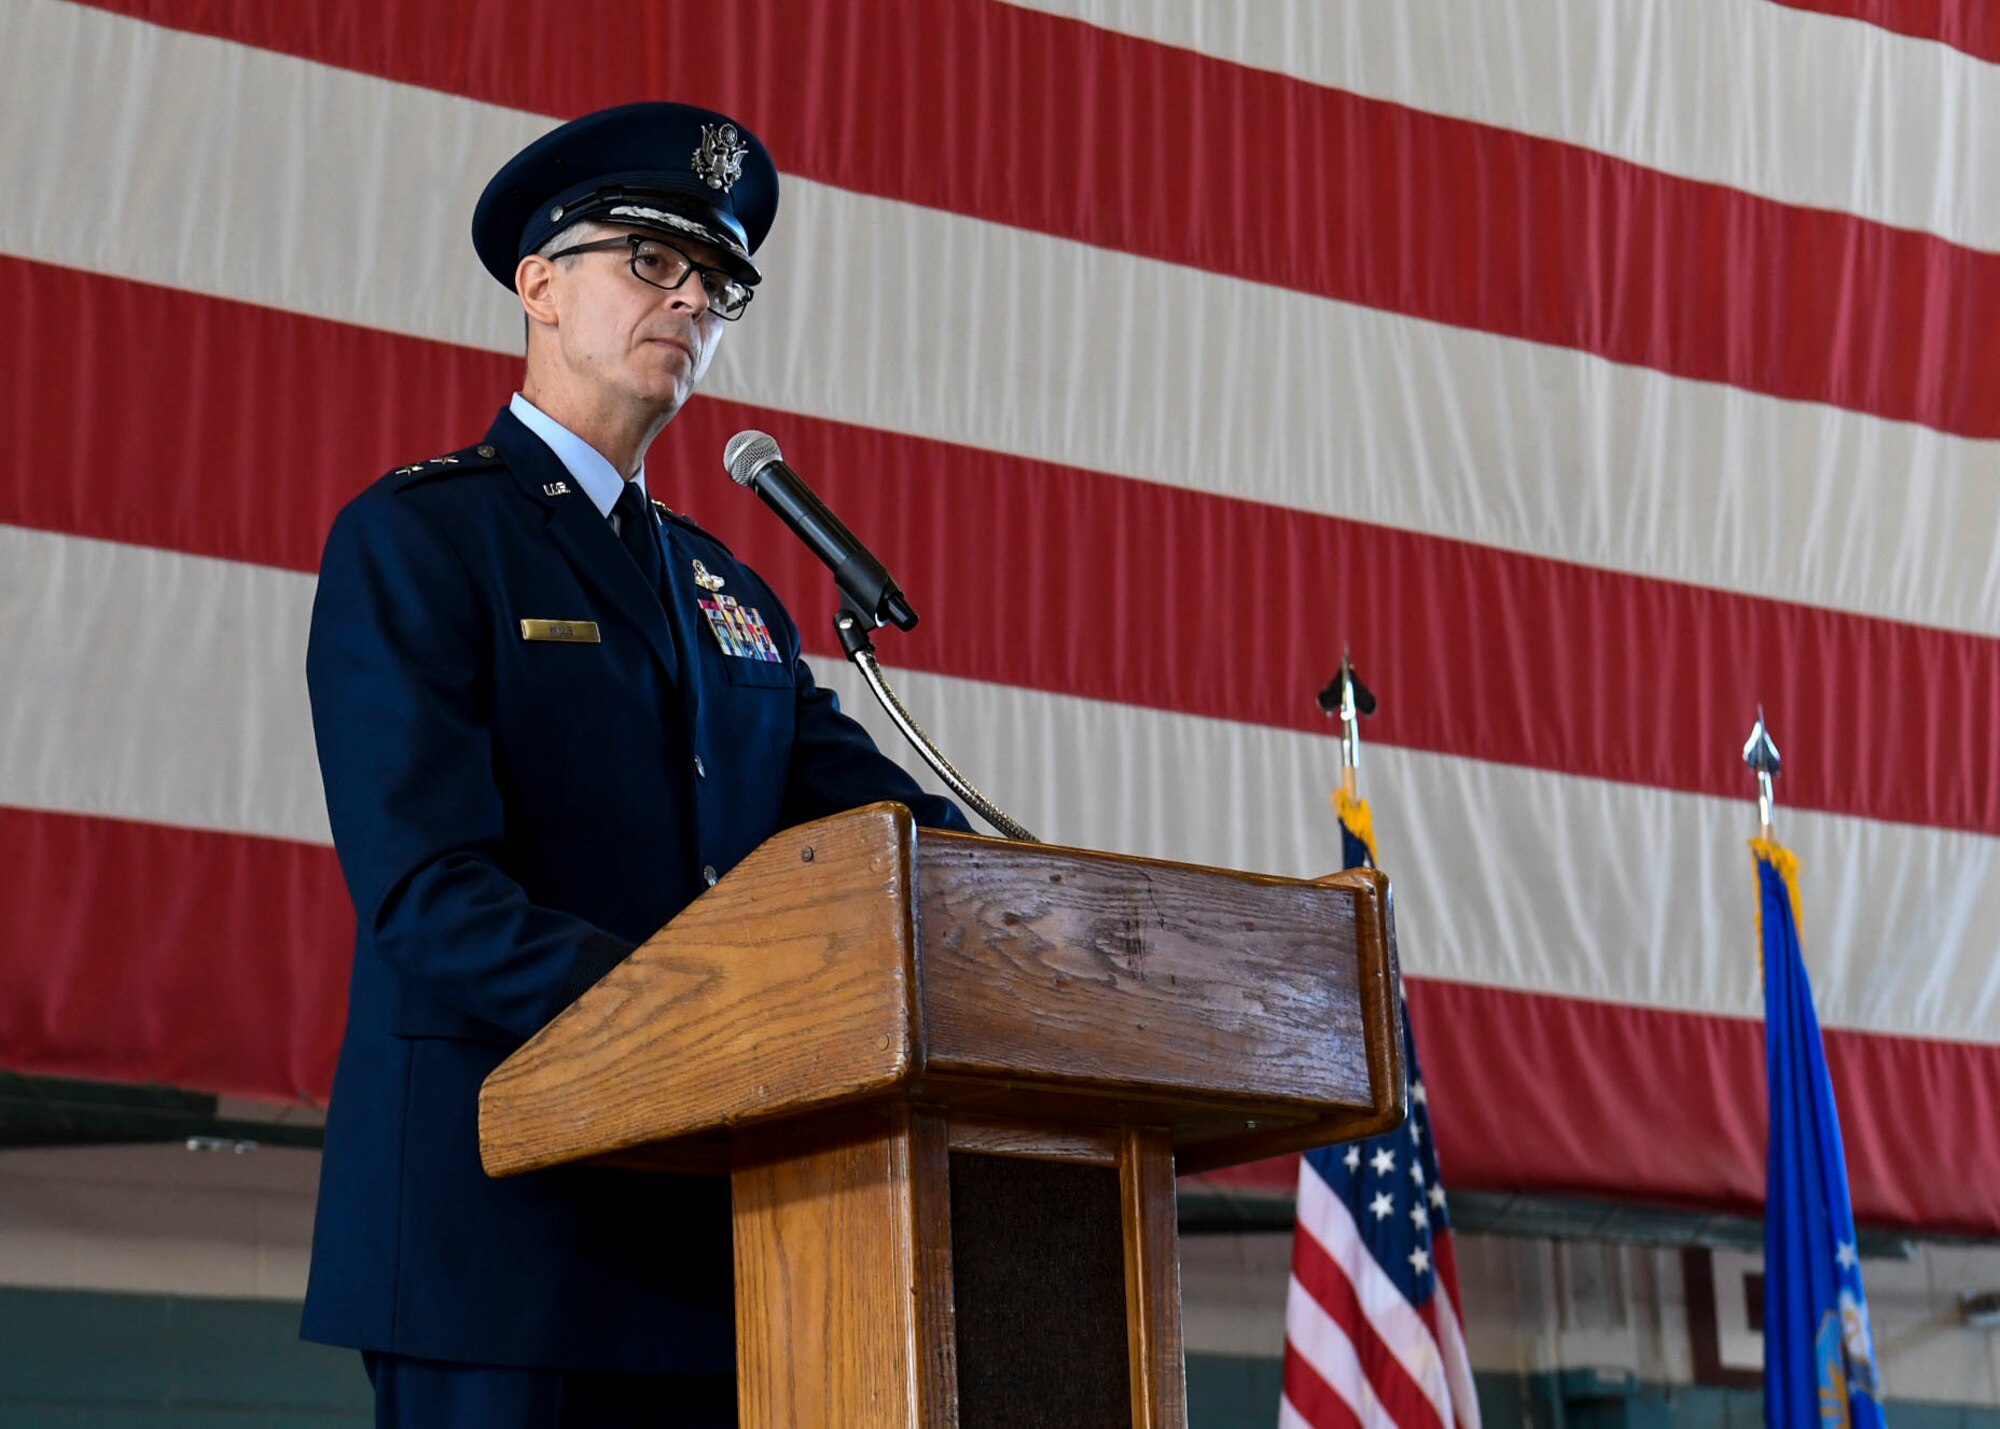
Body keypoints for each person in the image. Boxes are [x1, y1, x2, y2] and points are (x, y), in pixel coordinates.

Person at [300, 101, 968, 1427]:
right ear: (539, 285)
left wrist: (1046, 912)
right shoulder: (420, 540)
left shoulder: (728, 590)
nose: (691, 302)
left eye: (716, 282)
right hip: (499, 1241)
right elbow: (430, 894)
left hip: (711, 1246)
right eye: (650, 262)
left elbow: (878, 830)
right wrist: (714, 1024)